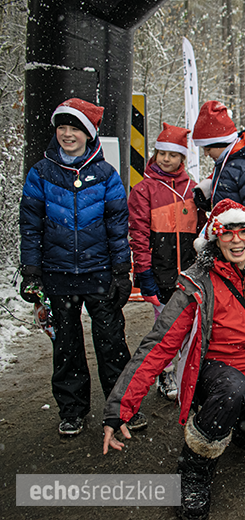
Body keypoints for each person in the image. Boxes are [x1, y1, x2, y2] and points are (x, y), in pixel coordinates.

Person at [102, 199, 245, 520]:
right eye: (227, 233)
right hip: (217, 374)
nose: (236, 240)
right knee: (232, 389)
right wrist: (120, 408)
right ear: (215, 239)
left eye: (244, 232)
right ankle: (194, 469)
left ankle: (241, 425)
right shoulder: (197, 284)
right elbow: (158, 346)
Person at [19, 98, 145, 436]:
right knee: (67, 346)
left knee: (111, 342)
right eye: (61, 126)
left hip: (100, 273)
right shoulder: (41, 172)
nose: (67, 133)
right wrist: (31, 270)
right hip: (57, 275)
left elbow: (119, 227)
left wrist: (122, 271)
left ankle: (122, 408)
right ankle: (72, 410)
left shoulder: (106, 175)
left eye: (74, 127)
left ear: (88, 134)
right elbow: (30, 227)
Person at [128, 122, 203, 400]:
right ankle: (167, 371)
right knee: (165, 327)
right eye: (162, 153)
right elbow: (138, 234)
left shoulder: (193, 189)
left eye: (173, 155)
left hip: (189, 273)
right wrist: (144, 271)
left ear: (183, 158)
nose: (166, 159)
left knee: (191, 325)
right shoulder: (144, 190)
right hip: (161, 271)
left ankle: (188, 371)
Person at [191, 100, 245, 254]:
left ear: (220, 143)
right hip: (235, 248)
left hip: (243, 251)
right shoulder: (229, 163)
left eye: (207, 148)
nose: (206, 154)